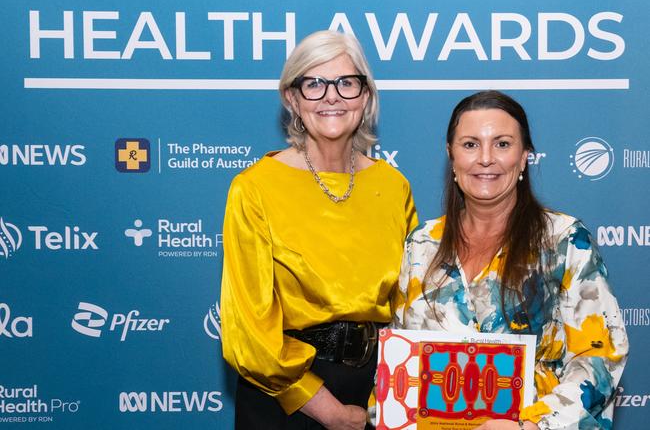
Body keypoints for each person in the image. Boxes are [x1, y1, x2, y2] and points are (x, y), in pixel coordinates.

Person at [390, 91, 628, 429]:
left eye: (502, 144)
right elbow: (401, 354)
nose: (486, 158)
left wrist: (534, 426)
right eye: (470, 144)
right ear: (451, 155)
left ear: (524, 157)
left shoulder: (564, 240)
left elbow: (599, 358)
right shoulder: (422, 244)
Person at [220, 30, 418, 429]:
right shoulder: (255, 187)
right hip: (285, 400)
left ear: (366, 96)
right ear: (292, 98)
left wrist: (389, 400)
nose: (332, 96)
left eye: (347, 83)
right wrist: (329, 411)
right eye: (314, 84)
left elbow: (412, 304)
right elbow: (248, 330)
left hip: (380, 393)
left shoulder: (393, 186)